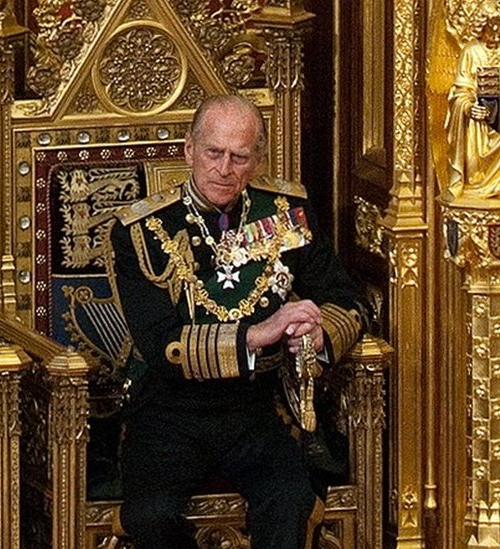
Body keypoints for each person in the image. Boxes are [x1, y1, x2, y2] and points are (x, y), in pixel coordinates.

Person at [109, 95, 364, 548]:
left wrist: (319, 330)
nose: (225, 168)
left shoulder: (286, 214)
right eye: (214, 152)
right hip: (168, 411)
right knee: (152, 516)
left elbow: (347, 300)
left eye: (239, 156)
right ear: (189, 150)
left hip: (257, 408)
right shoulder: (142, 231)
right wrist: (258, 334)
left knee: (290, 501)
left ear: (256, 159)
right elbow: (161, 343)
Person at [446, 12, 500, 199]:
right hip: (480, 122)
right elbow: (460, 93)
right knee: (477, 121)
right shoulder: (471, 51)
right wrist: (469, 107)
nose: (495, 36)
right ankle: (476, 180)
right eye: (492, 29)